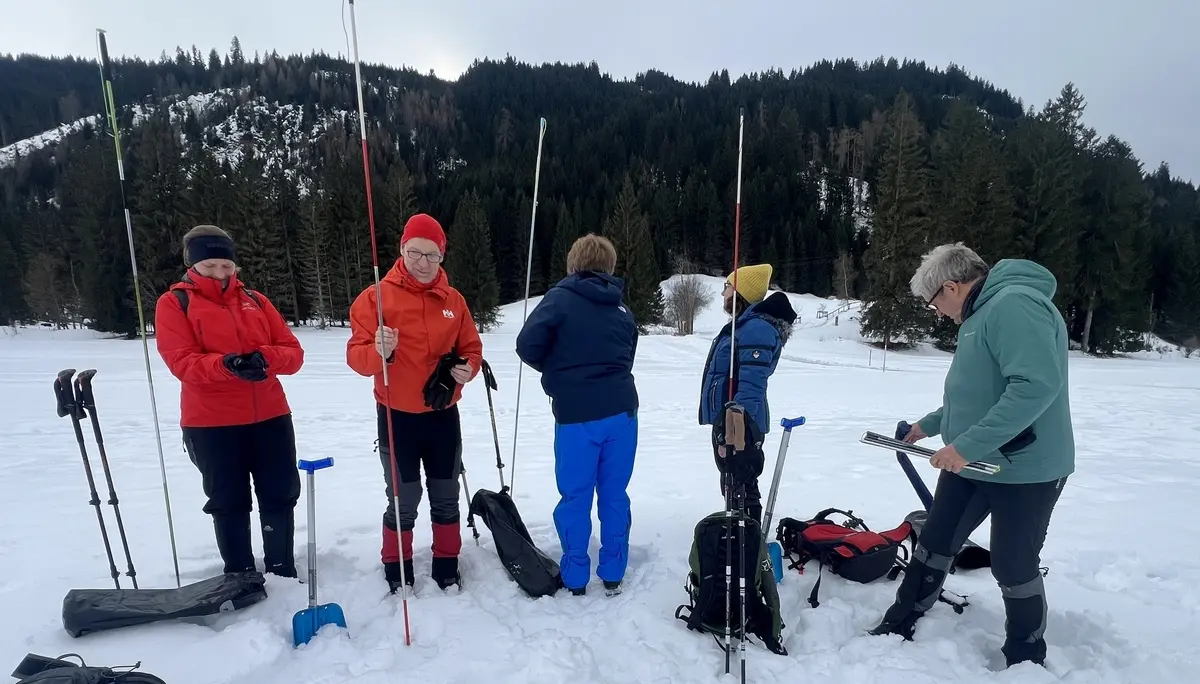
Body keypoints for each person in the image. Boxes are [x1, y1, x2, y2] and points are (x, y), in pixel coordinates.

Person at [870, 243, 1074, 669]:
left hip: (1026, 468)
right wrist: (927, 426)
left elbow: (1034, 388)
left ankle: (1025, 657)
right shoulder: (981, 316)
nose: (937, 312)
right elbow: (974, 397)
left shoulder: (1015, 306)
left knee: (1013, 564)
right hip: (974, 462)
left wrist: (963, 447)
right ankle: (903, 617)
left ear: (952, 286)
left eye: (934, 303)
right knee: (936, 540)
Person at [154, 224, 305, 577]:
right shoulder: (175, 303)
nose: (220, 273)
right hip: (212, 423)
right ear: (193, 265)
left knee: (280, 494)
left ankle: (282, 566)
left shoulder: (255, 300)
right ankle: (239, 574)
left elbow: (293, 354)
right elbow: (182, 362)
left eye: (226, 265)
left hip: (269, 416)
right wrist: (229, 364)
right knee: (229, 501)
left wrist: (265, 358)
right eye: (210, 266)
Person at [346, 213, 483, 593]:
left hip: (442, 416)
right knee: (404, 498)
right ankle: (396, 565)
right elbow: (356, 358)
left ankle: (447, 564)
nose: (422, 263)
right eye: (414, 253)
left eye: (432, 255)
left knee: (445, 495)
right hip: (397, 417)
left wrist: (466, 369)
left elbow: (471, 348)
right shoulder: (375, 297)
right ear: (401, 250)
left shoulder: (453, 301)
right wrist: (377, 351)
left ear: (442, 255)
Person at [515, 234, 639, 596]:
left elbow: (527, 345)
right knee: (615, 493)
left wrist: (558, 370)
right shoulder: (622, 307)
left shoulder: (560, 299)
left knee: (575, 495)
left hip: (576, 417)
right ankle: (613, 569)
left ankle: (575, 574)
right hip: (622, 412)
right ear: (610, 267)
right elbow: (627, 354)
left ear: (573, 265)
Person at [697, 264, 795, 523]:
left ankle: (747, 537)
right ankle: (739, 528)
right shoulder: (743, 326)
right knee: (732, 481)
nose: (723, 294)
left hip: (741, 423)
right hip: (729, 420)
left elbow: (752, 385)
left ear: (741, 292)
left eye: (727, 287)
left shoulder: (755, 329)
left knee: (741, 480)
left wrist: (737, 429)